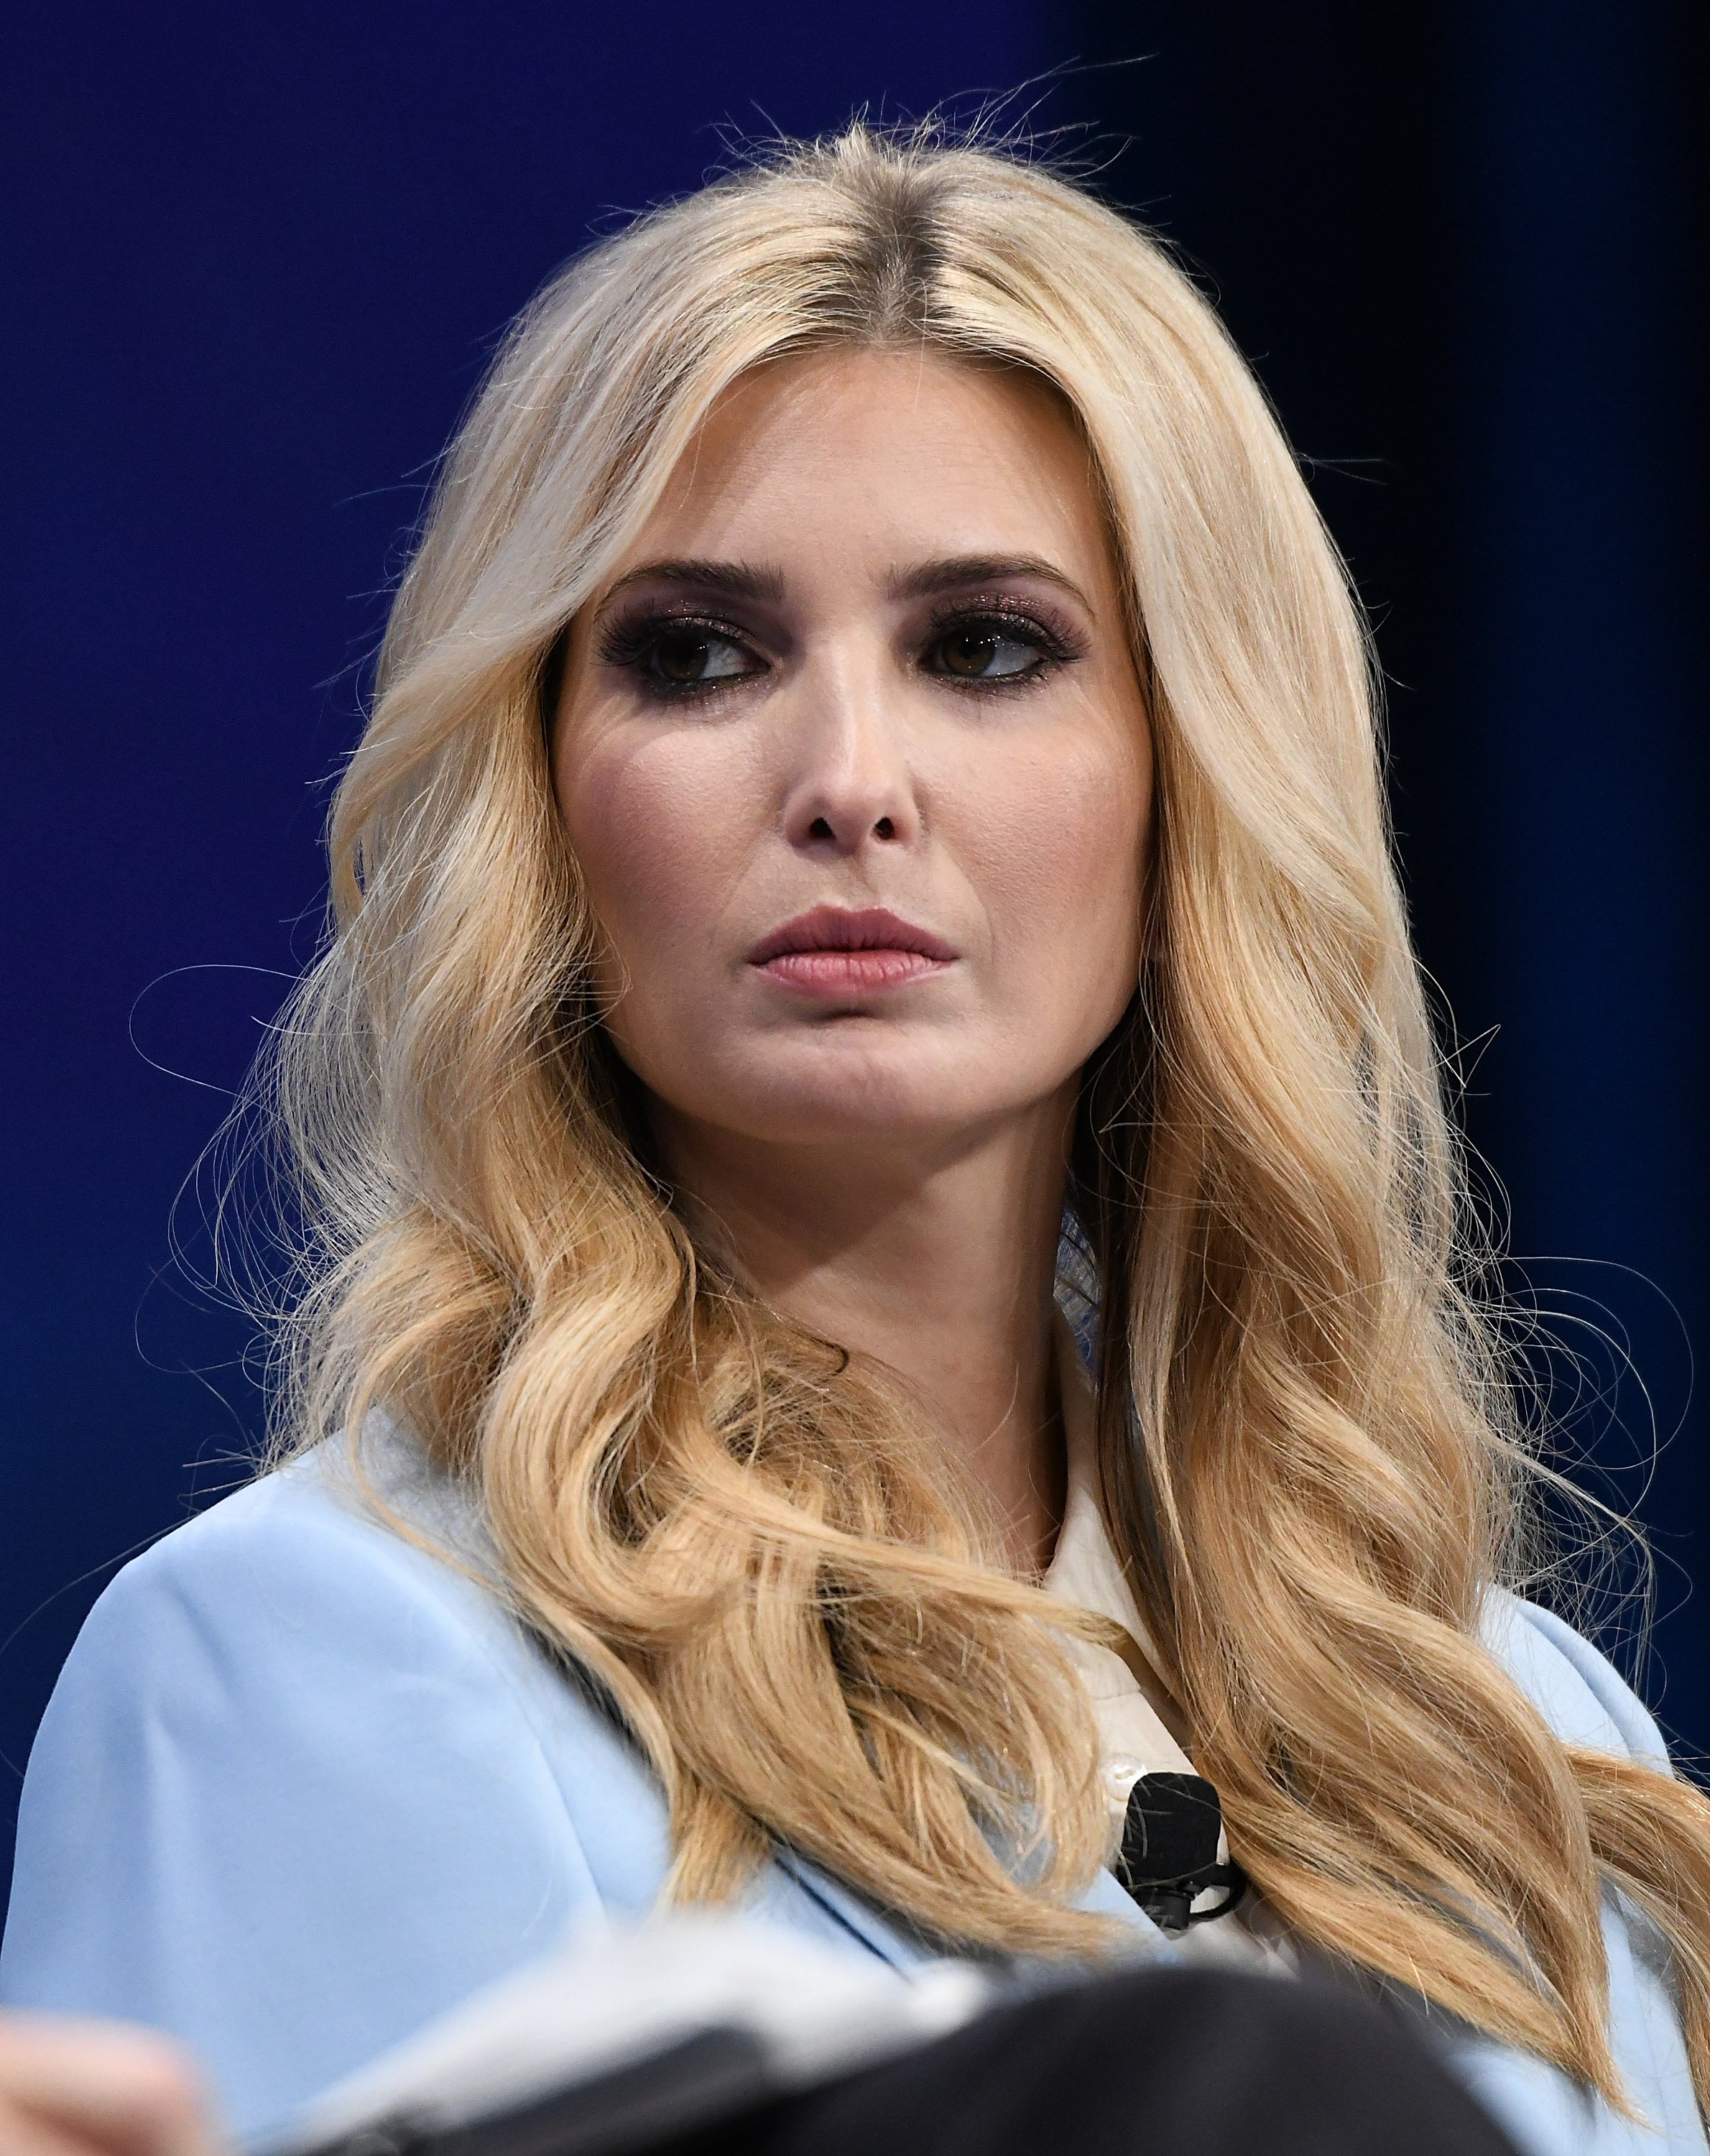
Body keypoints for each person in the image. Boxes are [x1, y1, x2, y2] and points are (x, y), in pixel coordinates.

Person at [2, 121, 1706, 2154]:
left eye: (984, 647)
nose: (848, 780)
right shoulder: (316, 1657)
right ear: (542, 798)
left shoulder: (1513, 1736)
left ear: (1191, 771)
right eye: (697, 655)